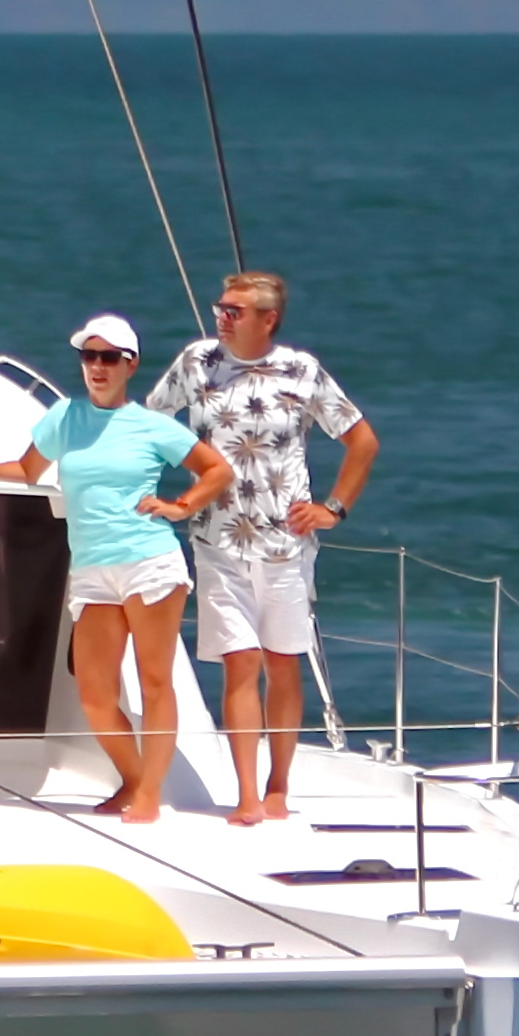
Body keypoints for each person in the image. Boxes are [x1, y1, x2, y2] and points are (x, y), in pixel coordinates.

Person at [0, 310, 231, 824]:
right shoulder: (65, 417)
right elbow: (29, 469)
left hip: (149, 563)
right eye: (89, 356)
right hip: (93, 569)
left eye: (109, 358)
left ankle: (149, 795)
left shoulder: (151, 425)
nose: (97, 366)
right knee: (95, 695)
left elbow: (217, 470)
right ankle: (134, 780)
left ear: (130, 365)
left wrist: (181, 506)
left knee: (155, 683)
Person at [161, 269, 377, 826]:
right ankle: (247, 795)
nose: (222, 318)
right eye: (220, 308)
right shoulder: (197, 362)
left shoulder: (301, 371)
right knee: (240, 663)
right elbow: (150, 424)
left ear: (268, 319)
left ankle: (278, 785)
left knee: (282, 663)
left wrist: (333, 509)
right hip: (215, 539)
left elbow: (361, 441)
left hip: (285, 543)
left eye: (234, 311)